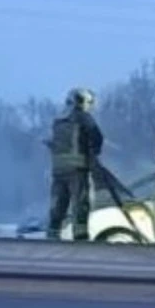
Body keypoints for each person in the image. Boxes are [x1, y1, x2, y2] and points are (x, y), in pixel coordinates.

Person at [46, 87, 104, 241]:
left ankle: (52, 233)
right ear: (83, 101)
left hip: (58, 170)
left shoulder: (58, 120)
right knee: (80, 203)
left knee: (58, 204)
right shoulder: (83, 117)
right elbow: (97, 136)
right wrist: (94, 151)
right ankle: (80, 237)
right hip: (77, 169)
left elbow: (51, 143)